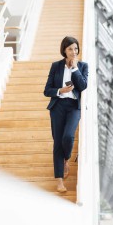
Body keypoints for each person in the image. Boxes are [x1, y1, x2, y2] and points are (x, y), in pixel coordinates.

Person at [43, 36, 88, 193]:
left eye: (76, 48)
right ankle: (60, 182)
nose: (73, 52)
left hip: (73, 107)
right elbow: (46, 90)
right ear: (64, 50)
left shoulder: (82, 66)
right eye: (70, 49)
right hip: (58, 106)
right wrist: (59, 91)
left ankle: (66, 158)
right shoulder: (56, 66)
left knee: (68, 137)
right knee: (57, 143)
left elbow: (82, 86)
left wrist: (74, 68)